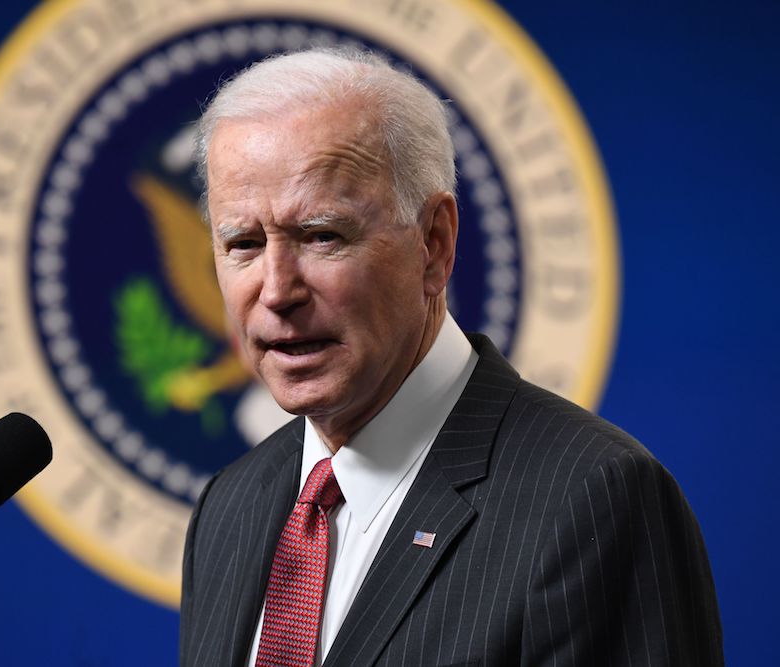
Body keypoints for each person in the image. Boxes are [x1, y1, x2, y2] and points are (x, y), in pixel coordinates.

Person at [179, 47, 723, 667]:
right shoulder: (230, 505)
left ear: (434, 245)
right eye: (244, 244)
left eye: (322, 235)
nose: (277, 291)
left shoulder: (592, 497)